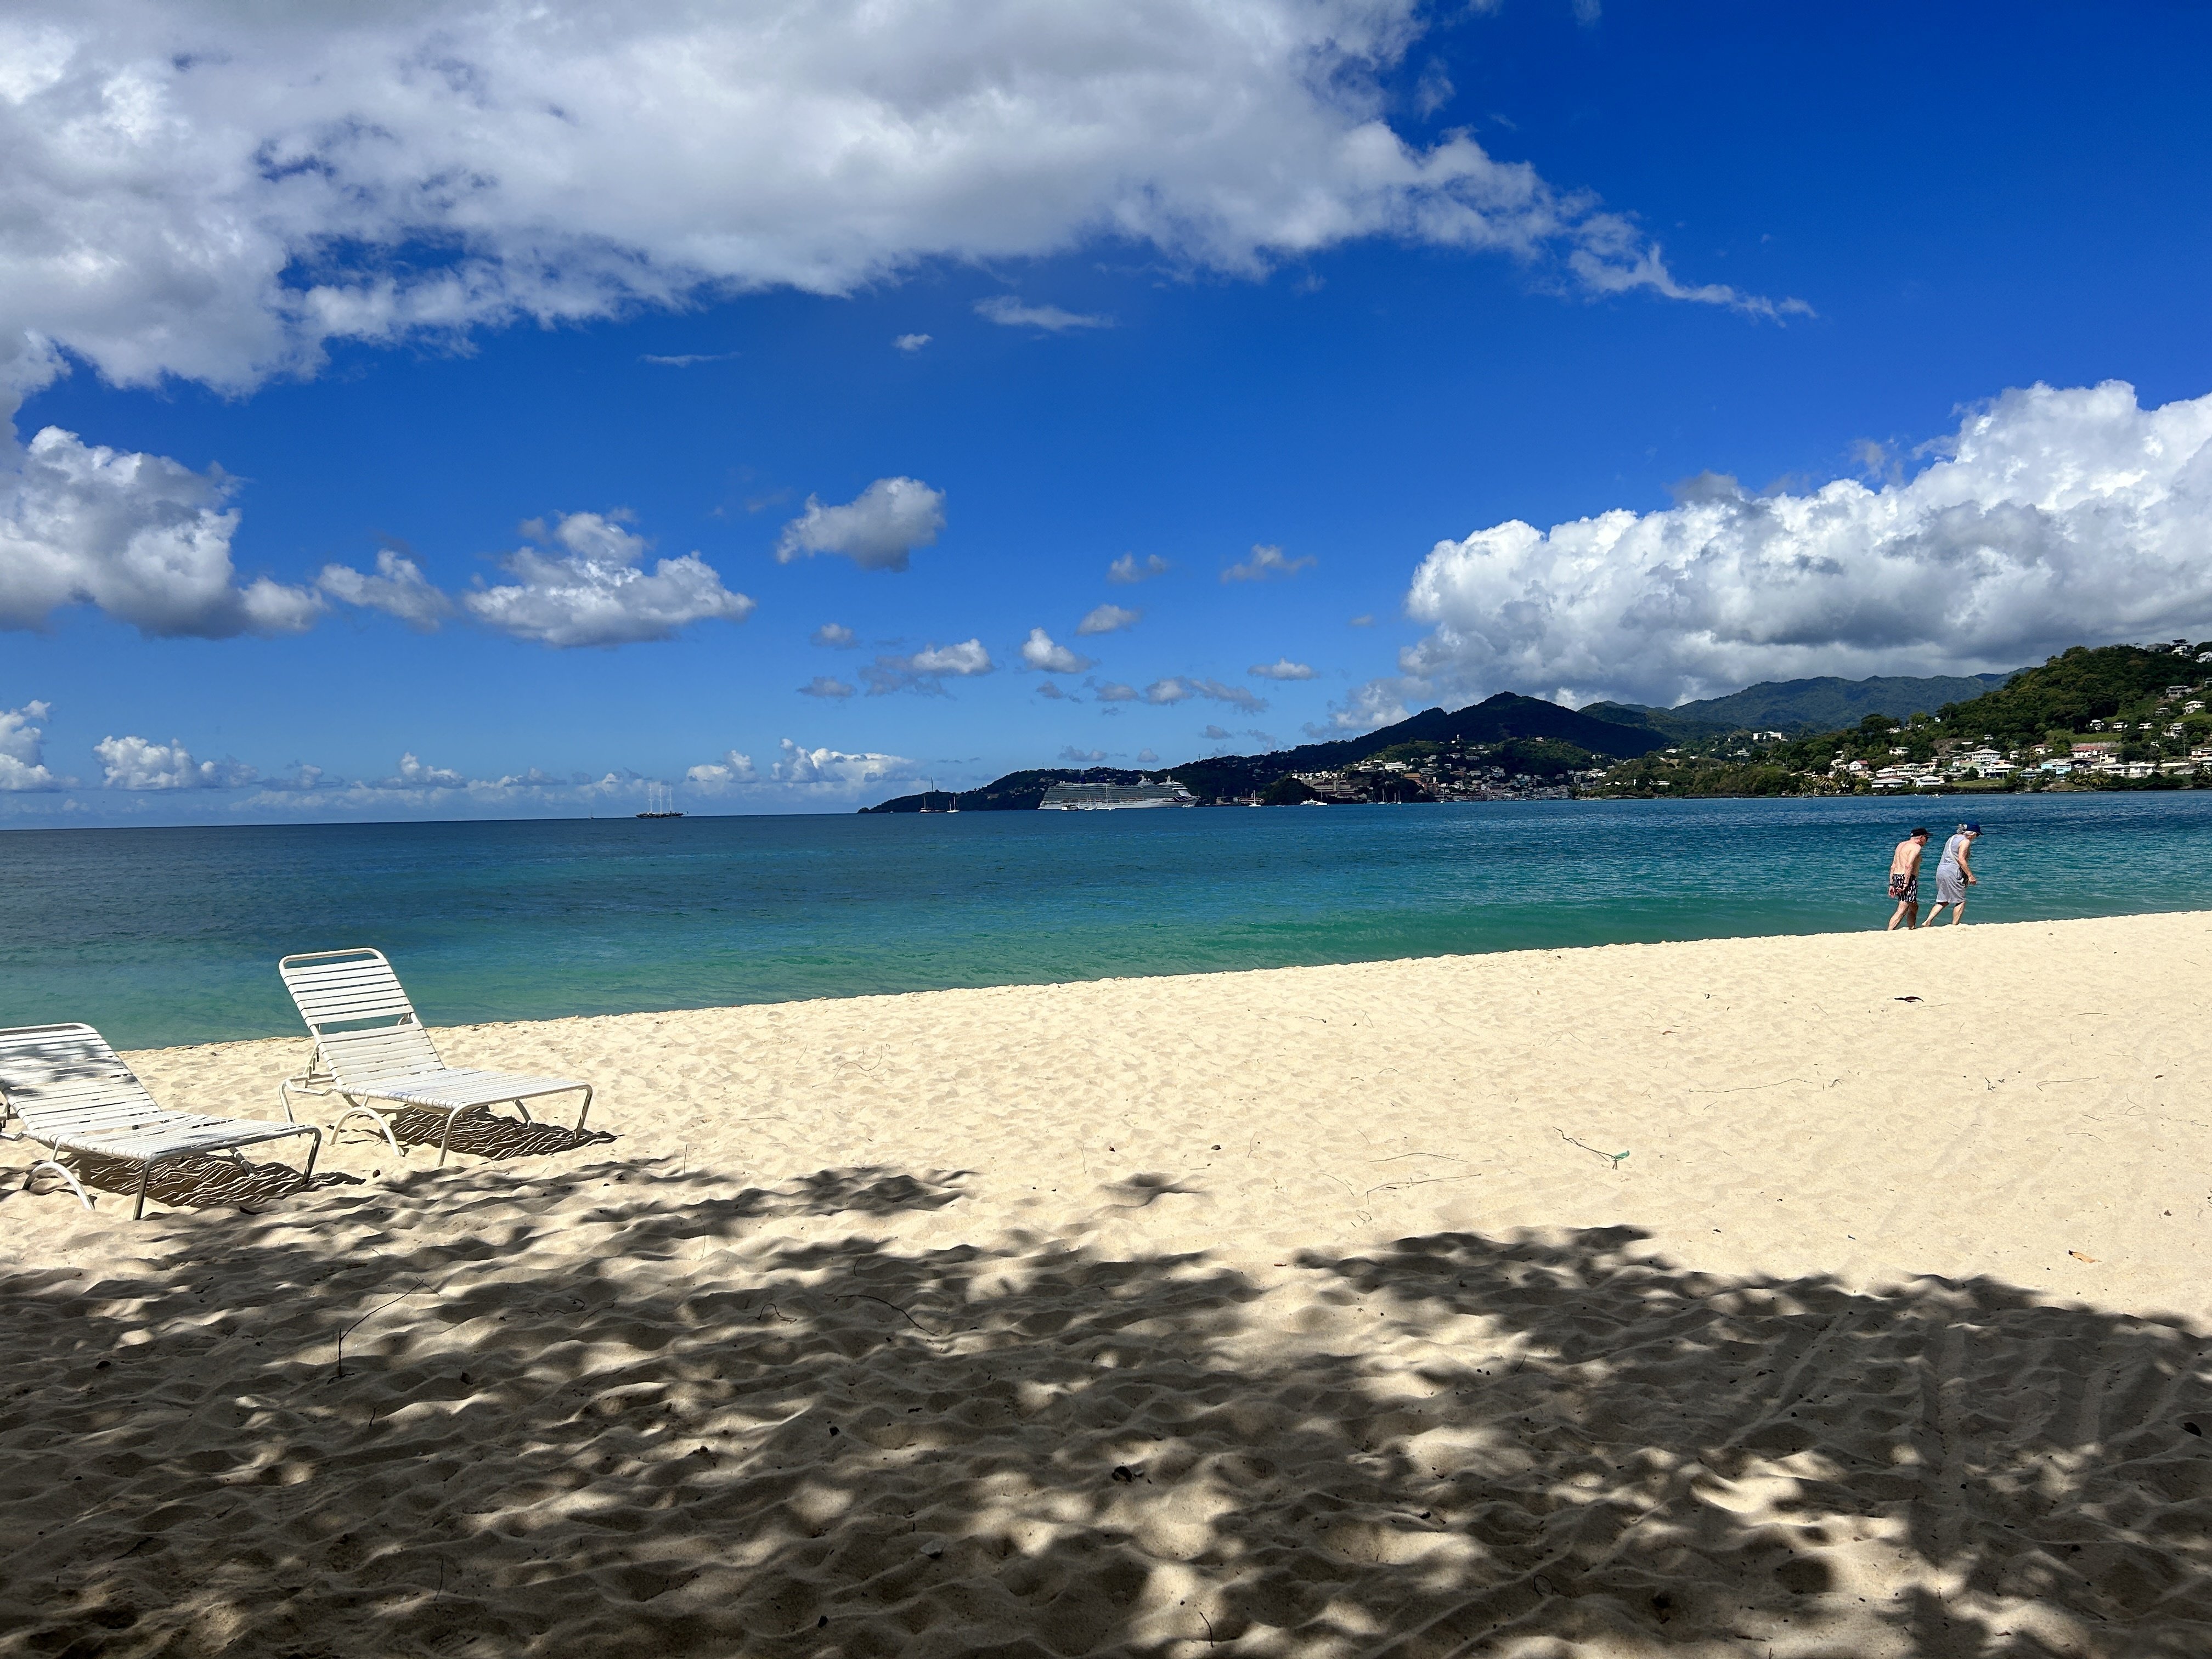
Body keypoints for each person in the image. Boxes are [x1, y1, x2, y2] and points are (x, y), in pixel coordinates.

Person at [1928, 822, 1981, 924]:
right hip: (1953, 872)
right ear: (1972, 833)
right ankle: (1955, 925)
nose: (1976, 837)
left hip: (1941, 870)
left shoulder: (1952, 838)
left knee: (1943, 901)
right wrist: (1970, 876)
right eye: (1977, 835)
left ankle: (1928, 921)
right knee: (1961, 901)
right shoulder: (1965, 841)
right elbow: (1961, 860)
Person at [1887, 827, 1931, 930]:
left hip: (1897, 875)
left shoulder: (1900, 845)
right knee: (1902, 908)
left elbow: (1893, 866)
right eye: (1926, 838)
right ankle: (1889, 932)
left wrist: (1891, 884)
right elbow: (1909, 865)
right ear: (1921, 838)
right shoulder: (1916, 847)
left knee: (1914, 906)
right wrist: (1906, 883)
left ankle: (1911, 928)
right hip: (1907, 877)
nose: (1927, 840)